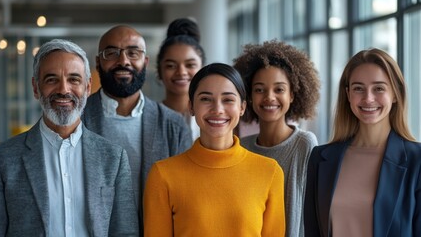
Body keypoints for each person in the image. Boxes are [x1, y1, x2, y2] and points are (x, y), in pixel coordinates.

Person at [0, 39, 136, 236]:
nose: (63, 90)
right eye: (52, 79)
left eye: (74, 79)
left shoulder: (114, 158)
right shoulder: (1, 160)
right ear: (36, 87)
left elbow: (125, 232)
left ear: (87, 87)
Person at [144, 63, 286, 237]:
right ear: (191, 107)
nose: (217, 109)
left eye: (228, 100)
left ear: (242, 107)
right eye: (205, 99)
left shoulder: (270, 172)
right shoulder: (163, 174)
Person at [81, 25, 192, 236]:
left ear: (145, 62)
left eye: (133, 53)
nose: (123, 61)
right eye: (111, 53)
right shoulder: (78, 120)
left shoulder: (173, 125)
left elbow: (185, 199)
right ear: (98, 62)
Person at [304, 48, 421, 237]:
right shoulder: (320, 158)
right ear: (348, 94)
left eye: (379, 88)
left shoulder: (416, 160)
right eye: (359, 88)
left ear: (395, 94)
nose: (368, 98)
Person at [233, 39, 320, 237]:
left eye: (279, 89)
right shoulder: (242, 148)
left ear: (292, 95)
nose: (269, 97)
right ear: (248, 96)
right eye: (259, 89)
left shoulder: (304, 144)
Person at [157, 17, 206, 141]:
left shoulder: (214, 117)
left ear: (203, 69)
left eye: (190, 65)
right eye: (171, 66)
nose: (181, 72)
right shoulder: (147, 117)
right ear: (159, 70)